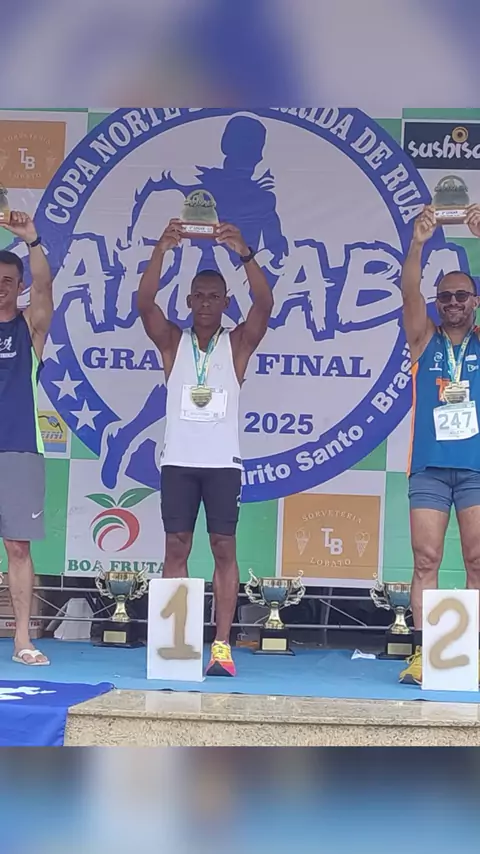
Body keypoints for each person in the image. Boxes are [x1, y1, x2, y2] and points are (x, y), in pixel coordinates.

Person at [138, 219, 273, 676]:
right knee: (175, 547)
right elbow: (144, 303)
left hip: (221, 464)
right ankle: (173, 644)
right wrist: (161, 249)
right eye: (200, 296)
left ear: (226, 302)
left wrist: (245, 253)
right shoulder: (172, 342)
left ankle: (221, 644)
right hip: (178, 461)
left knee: (223, 548)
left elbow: (265, 304)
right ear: (189, 300)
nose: (207, 303)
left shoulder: (237, 344)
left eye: (215, 297)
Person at [399, 203, 480, 685]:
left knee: (477, 561)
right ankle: (423, 653)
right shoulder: (423, 339)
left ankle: (472, 653)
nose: (453, 302)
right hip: (429, 468)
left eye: (461, 295)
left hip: (476, 468)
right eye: (445, 296)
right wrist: (417, 243)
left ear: (474, 301)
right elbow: (408, 291)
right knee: (426, 560)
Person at [0, 212, 53, 665]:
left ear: (19, 285)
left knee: (18, 546)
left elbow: (45, 290)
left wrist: (33, 241)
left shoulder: (29, 327)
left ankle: (22, 640)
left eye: (8, 280)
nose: (0, 286)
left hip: (19, 448)